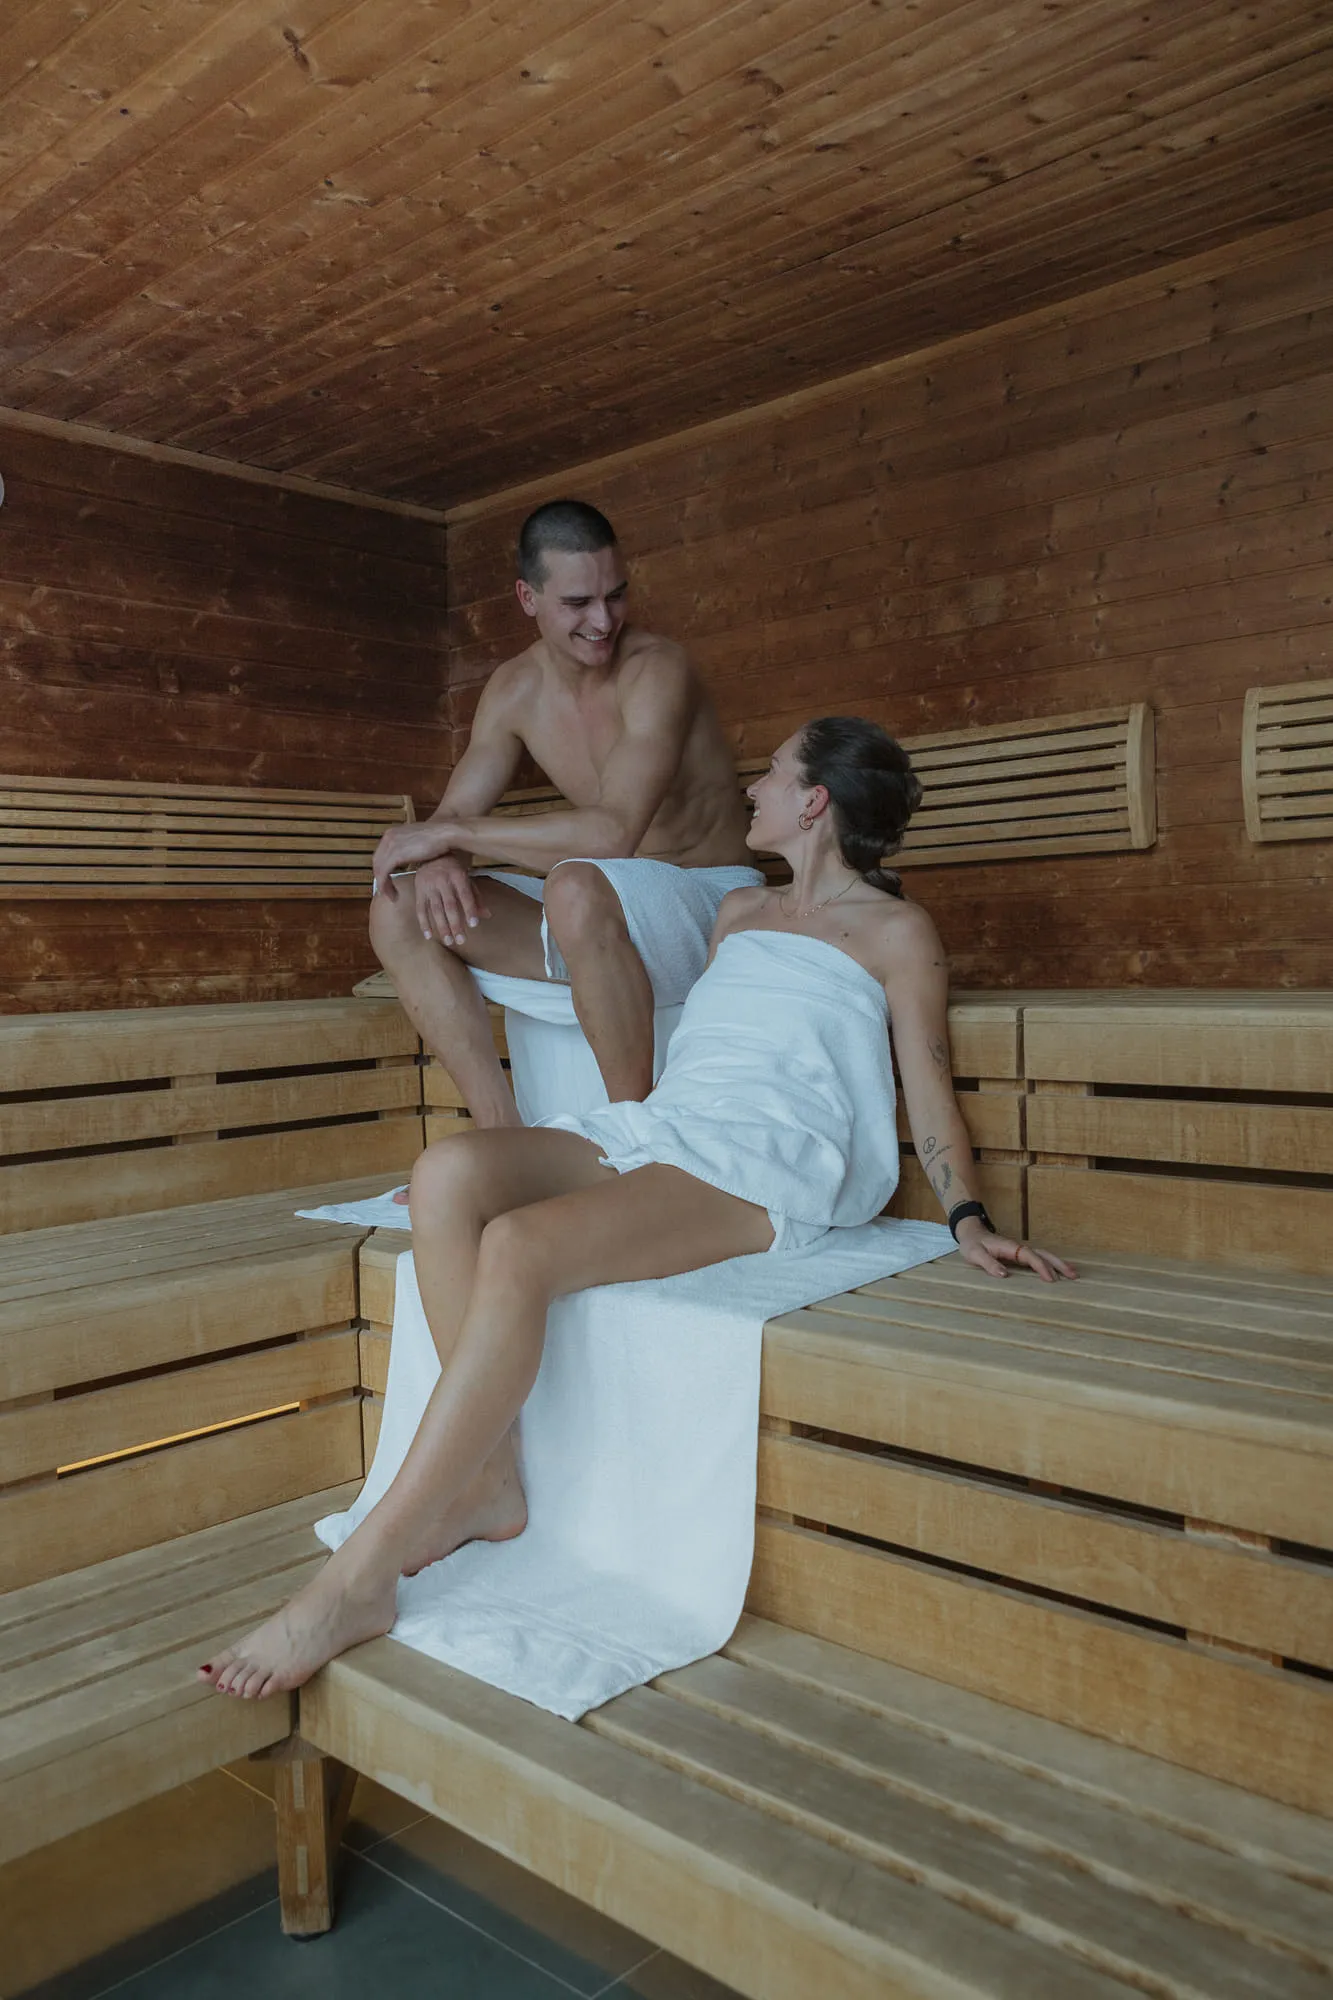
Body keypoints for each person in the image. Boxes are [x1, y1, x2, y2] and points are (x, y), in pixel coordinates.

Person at [201, 716, 1073, 1699]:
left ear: (815, 801)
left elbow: (926, 1076)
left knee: (523, 1247)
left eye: (776, 773)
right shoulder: (737, 910)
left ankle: (357, 1578)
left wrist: (964, 1214)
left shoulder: (896, 933)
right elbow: (686, 1025)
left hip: (773, 1157)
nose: (754, 787)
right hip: (677, 1125)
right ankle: (488, 1479)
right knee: (450, 1175)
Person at [368, 498, 760, 1125]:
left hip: (710, 902)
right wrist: (443, 854)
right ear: (528, 597)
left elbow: (615, 831)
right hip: (603, 911)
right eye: (577, 604)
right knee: (398, 909)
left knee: (576, 882)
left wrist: (451, 834)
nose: (603, 621)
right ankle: (503, 1136)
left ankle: (634, 1137)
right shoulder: (515, 689)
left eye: (615, 595)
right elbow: (458, 811)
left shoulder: (658, 671)